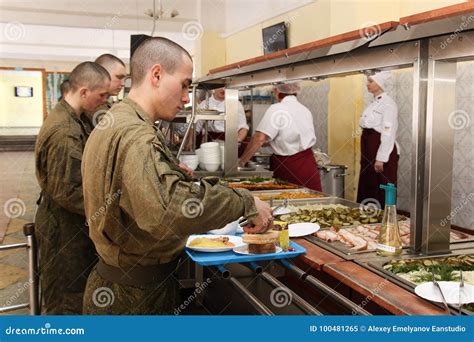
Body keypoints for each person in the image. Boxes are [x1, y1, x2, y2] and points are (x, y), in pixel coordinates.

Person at [81, 37, 272, 315]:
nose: (186, 97)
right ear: (156, 74)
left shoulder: (118, 118)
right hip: (135, 299)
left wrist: (169, 172)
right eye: (184, 84)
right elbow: (167, 210)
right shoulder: (136, 135)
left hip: (120, 284)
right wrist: (245, 202)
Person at [35, 62, 110, 314]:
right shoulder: (64, 132)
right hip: (62, 227)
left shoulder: (75, 119)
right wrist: (110, 208)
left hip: (71, 224)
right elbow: (66, 192)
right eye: (102, 95)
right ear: (84, 92)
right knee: (66, 298)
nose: (104, 101)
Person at [239, 82, 322, 191]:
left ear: (277, 91)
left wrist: (241, 162)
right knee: (310, 203)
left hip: (289, 168)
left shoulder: (277, 109)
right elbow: (289, 137)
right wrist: (269, 142)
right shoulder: (305, 110)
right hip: (308, 166)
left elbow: (259, 138)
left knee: (287, 203)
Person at [357, 71, 399, 207]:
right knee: (368, 185)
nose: (367, 84)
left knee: (380, 188)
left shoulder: (388, 104)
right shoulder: (373, 104)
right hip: (369, 152)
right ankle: (367, 221)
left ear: (380, 84)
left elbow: (388, 132)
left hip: (381, 152)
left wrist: (381, 158)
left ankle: (384, 221)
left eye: (371, 81)